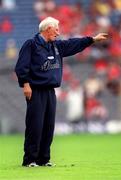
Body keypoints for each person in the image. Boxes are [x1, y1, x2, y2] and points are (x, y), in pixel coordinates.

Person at [15, 17, 108, 167]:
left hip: (50, 91)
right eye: (56, 29)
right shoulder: (31, 44)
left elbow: (73, 43)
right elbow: (21, 66)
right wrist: (25, 84)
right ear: (47, 29)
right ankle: (30, 159)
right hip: (36, 90)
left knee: (48, 126)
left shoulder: (56, 46)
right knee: (35, 125)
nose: (58, 32)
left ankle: (43, 159)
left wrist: (92, 40)